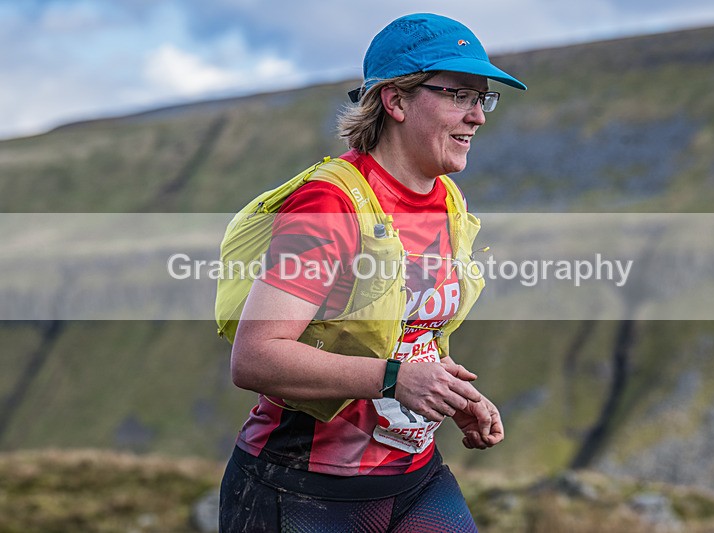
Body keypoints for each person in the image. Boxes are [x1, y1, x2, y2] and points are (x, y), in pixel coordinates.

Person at [219, 12, 526, 532]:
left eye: (483, 98)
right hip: (301, 487)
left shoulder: (445, 198)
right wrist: (394, 379)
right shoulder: (330, 204)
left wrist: (448, 391)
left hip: (414, 477)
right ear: (397, 100)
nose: (478, 116)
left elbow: (408, 330)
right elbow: (255, 358)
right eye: (459, 95)